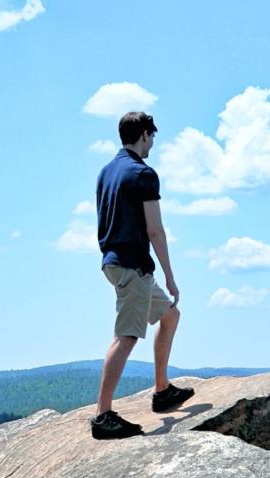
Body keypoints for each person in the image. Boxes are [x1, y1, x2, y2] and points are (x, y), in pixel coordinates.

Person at [89, 111, 194, 439]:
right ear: (144, 134)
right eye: (152, 136)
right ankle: (103, 416)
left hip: (115, 261)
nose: (153, 143)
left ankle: (162, 392)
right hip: (132, 265)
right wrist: (171, 276)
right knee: (126, 336)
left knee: (170, 315)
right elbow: (155, 230)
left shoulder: (106, 172)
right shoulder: (143, 174)